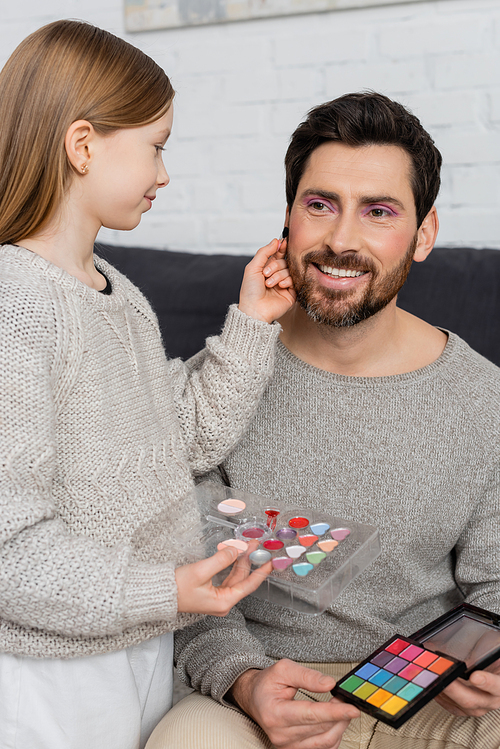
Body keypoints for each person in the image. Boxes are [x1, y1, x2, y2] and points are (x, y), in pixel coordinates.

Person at [148, 92, 500, 749]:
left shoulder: (483, 398)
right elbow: (185, 586)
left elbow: (497, 586)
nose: (341, 239)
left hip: (429, 698)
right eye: (319, 204)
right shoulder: (219, 384)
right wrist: (245, 680)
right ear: (287, 218)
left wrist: (491, 655)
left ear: (423, 235)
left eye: (378, 211)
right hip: (258, 690)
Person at [0, 19, 296, 749]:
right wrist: (167, 589)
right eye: (156, 146)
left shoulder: (120, 296)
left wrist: (253, 322)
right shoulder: (15, 303)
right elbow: (9, 548)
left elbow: (183, 441)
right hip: (50, 675)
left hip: (136, 649)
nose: (165, 174)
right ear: (82, 145)